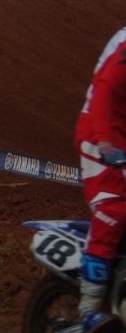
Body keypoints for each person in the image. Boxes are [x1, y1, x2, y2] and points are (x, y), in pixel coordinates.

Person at [74, 24, 126, 333]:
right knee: (115, 208)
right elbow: (105, 88)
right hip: (99, 128)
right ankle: (89, 309)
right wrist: (105, 142)